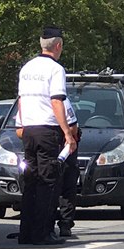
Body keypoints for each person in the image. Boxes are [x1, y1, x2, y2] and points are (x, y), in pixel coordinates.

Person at [14, 26, 77, 245]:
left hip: (28, 129)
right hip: (47, 130)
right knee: (48, 182)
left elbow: (21, 100)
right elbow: (57, 101)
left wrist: (23, 125)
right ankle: (43, 233)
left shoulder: (26, 68)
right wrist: (68, 133)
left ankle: (26, 232)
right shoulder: (55, 69)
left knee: (31, 181)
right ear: (58, 45)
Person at [54, 98, 80, 237]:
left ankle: (65, 223)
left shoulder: (62, 101)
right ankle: (47, 224)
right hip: (48, 146)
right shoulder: (33, 100)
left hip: (65, 147)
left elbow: (73, 127)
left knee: (67, 185)